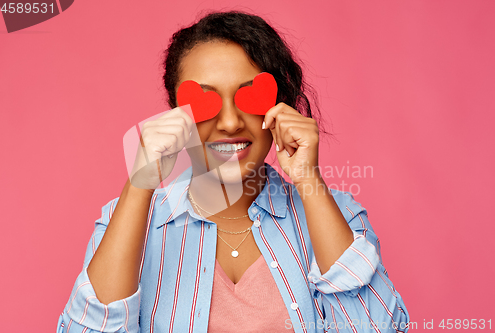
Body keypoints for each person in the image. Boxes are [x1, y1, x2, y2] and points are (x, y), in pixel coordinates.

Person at [57, 11, 409, 333]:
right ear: (174, 112)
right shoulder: (125, 223)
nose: (228, 123)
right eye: (204, 101)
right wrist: (141, 181)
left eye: (248, 98)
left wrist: (308, 180)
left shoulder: (341, 217)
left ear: (277, 106)